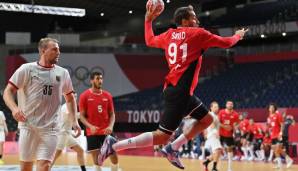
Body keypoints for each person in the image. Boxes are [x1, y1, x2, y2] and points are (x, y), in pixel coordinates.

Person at [99, 4, 248, 170]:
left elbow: (149, 40)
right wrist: (237, 36)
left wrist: (148, 21)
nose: (197, 19)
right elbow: (226, 43)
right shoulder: (198, 34)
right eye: (193, 17)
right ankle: (114, 145)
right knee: (162, 136)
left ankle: (173, 148)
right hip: (180, 93)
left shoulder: (169, 35)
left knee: (207, 119)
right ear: (184, 21)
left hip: (178, 90)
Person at [3, 37, 81, 171]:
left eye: (59, 50)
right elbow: (7, 92)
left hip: (51, 129)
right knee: (26, 168)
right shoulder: (26, 69)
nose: (59, 52)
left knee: (45, 166)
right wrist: (14, 109)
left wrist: (74, 121)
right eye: (55, 49)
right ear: (43, 50)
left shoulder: (63, 73)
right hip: (28, 126)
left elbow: (70, 98)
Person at [79, 72, 118, 171]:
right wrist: (90, 126)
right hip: (92, 132)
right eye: (97, 79)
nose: (100, 81)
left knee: (114, 157)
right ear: (91, 80)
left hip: (107, 131)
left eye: (101, 78)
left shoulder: (107, 95)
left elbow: (112, 114)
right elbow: (82, 116)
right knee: (97, 160)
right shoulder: (84, 95)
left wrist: (110, 126)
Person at [52, 93, 86, 171]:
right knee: (56, 154)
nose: (75, 98)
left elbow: (74, 117)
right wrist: (85, 113)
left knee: (80, 150)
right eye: (73, 96)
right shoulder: (66, 106)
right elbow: (72, 117)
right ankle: (46, 168)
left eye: (76, 96)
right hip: (62, 133)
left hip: (67, 134)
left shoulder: (71, 107)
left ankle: (83, 170)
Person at [267, 103, 293, 168]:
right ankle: (279, 164)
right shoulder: (269, 116)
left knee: (278, 149)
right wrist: (270, 130)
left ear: (274, 108)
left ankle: (289, 160)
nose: (271, 108)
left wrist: (281, 133)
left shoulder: (278, 115)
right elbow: (270, 126)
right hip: (272, 135)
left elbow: (282, 124)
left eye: (272, 107)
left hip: (278, 135)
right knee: (275, 150)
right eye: (270, 107)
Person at [219, 101, 240, 171]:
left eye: (231, 104)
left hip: (229, 135)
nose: (230, 105)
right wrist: (224, 126)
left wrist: (235, 127)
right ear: (226, 105)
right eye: (228, 104)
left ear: (233, 106)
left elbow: (237, 124)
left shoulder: (236, 114)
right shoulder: (221, 112)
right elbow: (217, 122)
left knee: (230, 150)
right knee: (217, 149)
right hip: (220, 134)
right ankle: (215, 165)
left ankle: (230, 168)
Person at [203, 101, 222, 171]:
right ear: (211, 108)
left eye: (217, 107)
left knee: (218, 151)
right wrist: (216, 133)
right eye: (215, 107)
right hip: (213, 135)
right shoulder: (211, 115)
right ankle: (214, 168)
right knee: (218, 150)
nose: (217, 108)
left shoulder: (215, 115)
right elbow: (211, 124)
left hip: (212, 135)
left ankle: (206, 162)